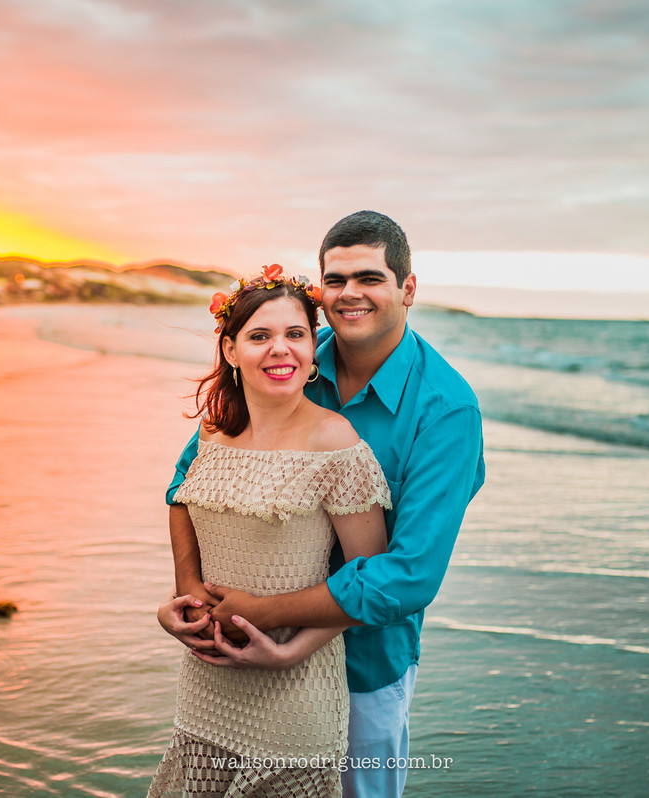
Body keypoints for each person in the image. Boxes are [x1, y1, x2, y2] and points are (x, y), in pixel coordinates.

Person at [160, 211, 486, 797]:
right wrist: (191, 595)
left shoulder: (446, 411)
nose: (350, 293)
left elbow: (409, 575)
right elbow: (189, 478)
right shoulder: (290, 357)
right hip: (230, 654)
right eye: (335, 280)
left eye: (370, 278)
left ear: (408, 289)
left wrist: (265, 616)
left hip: (363, 665)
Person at [148, 265, 392, 797]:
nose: (280, 349)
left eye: (295, 334)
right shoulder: (213, 430)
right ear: (231, 350)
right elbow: (181, 502)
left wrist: (292, 651)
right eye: (260, 336)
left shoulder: (335, 442)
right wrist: (182, 596)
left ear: (312, 347)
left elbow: (369, 576)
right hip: (206, 686)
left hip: (295, 692)